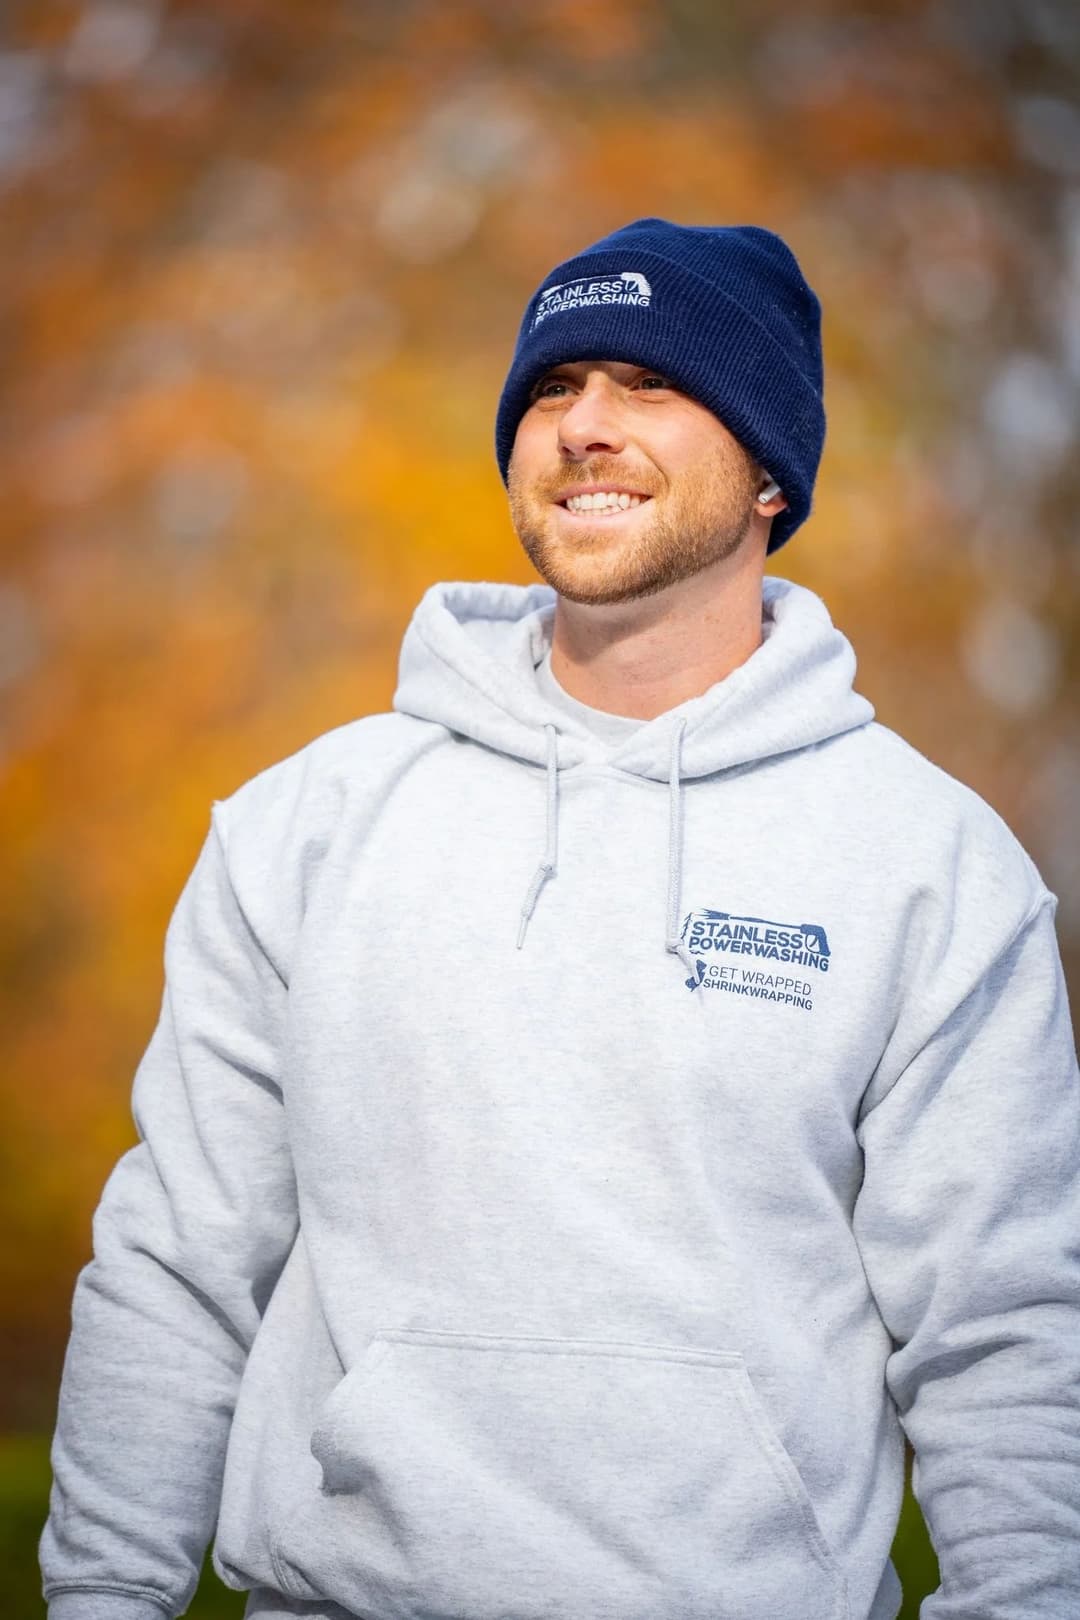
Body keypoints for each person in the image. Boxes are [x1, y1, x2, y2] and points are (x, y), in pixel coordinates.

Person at [40, 218, 1080, 1620]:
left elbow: (1007, 1336)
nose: (584, 425)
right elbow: (174, 1265)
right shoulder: (306, 826)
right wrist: (103, 1597)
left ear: (771, 469)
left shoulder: (930, 867)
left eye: (651, 384)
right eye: (553, 385)